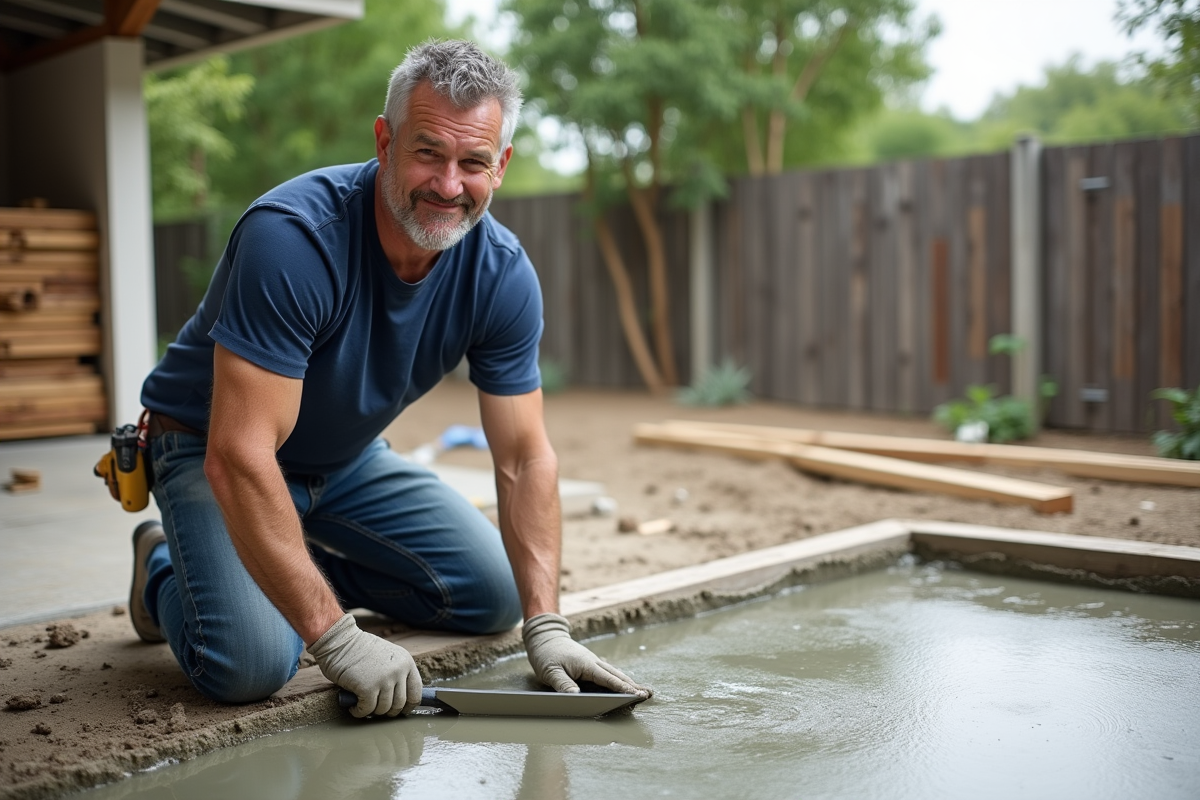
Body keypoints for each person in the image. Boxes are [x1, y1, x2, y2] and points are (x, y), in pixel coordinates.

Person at [132, 39, 649, 718]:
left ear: (501, 166)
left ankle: (277, 568)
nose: (449, 185)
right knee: (249, 663)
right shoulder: (293, 238)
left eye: (473, 162)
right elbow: (238, 454)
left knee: (492, 594)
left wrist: (547, 626)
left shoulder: (501, 273)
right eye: (428, 152)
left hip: (344, 458)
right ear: (385, 142)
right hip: (209, 445)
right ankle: (163, 568)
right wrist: (336, 638)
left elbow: (525, 457)